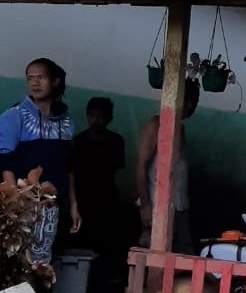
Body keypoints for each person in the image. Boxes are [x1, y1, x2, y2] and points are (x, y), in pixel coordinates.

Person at [0, 58, 81, 263]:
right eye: (30, 78)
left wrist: (73, 205)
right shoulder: (14, 116)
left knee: (42, 265)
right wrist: (13, 204)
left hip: (53, 205)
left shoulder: (67, 120)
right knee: (18, 264)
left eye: (41, 77)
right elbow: (5, 162)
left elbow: (68, 166)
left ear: (54, 82)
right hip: (23, 205)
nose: (35, 83)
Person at [136, 78, 200, 253]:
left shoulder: (181, 130)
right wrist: (146, 207)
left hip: (180, 208)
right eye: (186, 100)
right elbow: (141, 169)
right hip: (157, 206)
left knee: (179, 258)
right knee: (154, 257)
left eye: (193, 101)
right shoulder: (155, 125)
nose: (189, 105)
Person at [73, 97, 126, 252]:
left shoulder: (116, 142)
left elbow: (117, 172)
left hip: (107, 199)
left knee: (106, 242)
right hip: (83, 199)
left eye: (100, 116)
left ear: (109, 118)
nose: (95, 120)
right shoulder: (79, 142)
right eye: (91, 115)